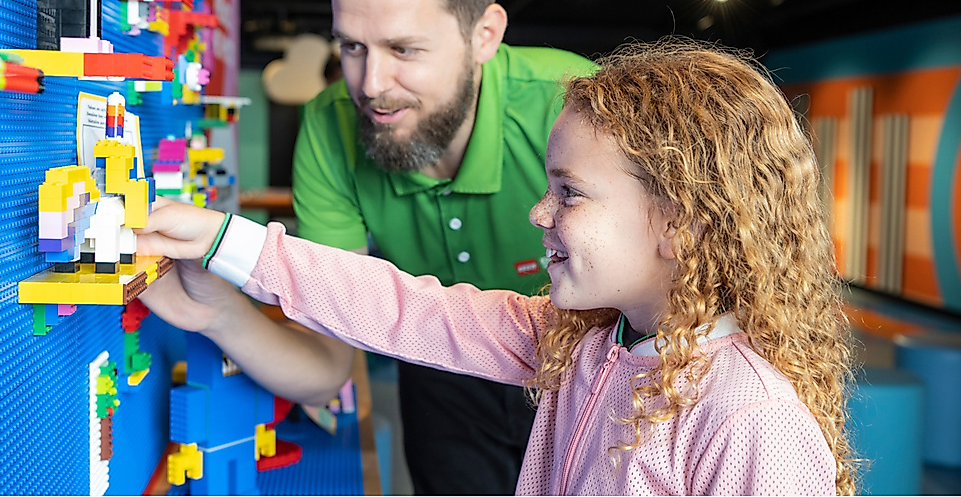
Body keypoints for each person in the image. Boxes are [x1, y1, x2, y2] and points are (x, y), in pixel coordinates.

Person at [138, 39, 857, 495]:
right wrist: (226, 240)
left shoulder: (752, 419)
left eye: (570, 193)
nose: (539, 212)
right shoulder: (582, 338)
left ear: (680, 222)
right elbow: (410, 311)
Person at [290, 0, 596, 493]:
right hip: (438, 364)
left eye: (403, 49)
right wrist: (215, 302)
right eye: (352, 46)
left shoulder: (574, 103)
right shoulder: (329, 126)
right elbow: (327, 361)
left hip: (588, 360)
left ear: (484, 35)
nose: (370, 85)